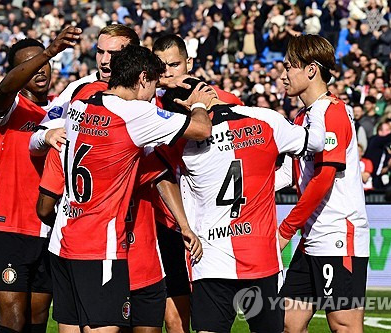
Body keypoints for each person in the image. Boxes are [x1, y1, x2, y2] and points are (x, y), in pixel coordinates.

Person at [35, 44, 214, 333]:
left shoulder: (83, 105)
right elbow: (201, 130)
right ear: (143, 78)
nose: (154, 94)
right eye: (154, 84)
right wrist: (199, 104)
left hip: (62, 240)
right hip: (98, 247)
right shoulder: (135, 115)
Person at [154, 76, 325, 333]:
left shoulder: (181, 141)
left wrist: (184, 225)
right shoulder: (266, 119)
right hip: (261, 256)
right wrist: (320, 103)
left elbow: (159, 175)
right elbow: (316, 142)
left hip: (210, 257)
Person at [0, 26, 82, 333]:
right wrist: (50, 50)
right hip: (10, 224)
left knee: (38, 321)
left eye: (45, 64)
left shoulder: (63, 108)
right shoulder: (8, 107)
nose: (40, 69)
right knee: (13, 321)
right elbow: (3, 90)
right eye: (31, 64)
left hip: (50, 224)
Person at [276, 35, 369, 333]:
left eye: (290, 67)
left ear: (311, 70)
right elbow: (293, 175)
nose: (283, 74)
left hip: (338, 233)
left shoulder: (333, 111)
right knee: (288, 322)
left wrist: (286, 229)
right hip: (312, 238)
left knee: (343, 325)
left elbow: (324, 178)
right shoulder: (302, 117)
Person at [152, 34, 243, 333]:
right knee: (175, 318)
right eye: (160, 66)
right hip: (167, 224)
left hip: (212, 226)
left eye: (174, 64)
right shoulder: (148, 107)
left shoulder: (225, 101)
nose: (167, 72)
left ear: (189, 64)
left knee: (211, 320)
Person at [29, 24, 141, 155]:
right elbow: (34, 142)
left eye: (113, 53)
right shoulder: (78, 88)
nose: (104, 60)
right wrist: (47, 135)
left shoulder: (146, 89)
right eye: (100, 52)